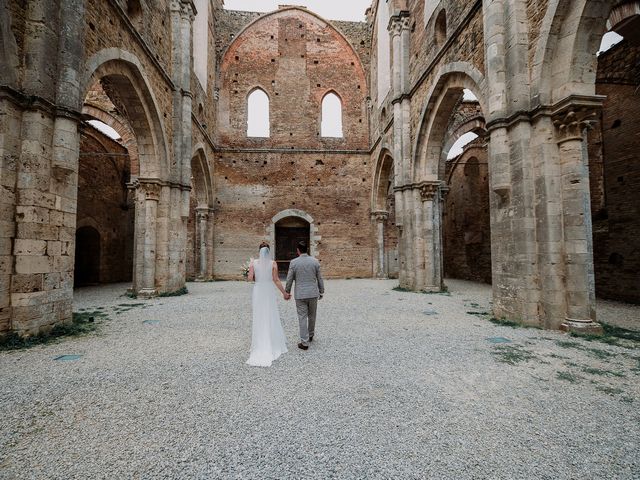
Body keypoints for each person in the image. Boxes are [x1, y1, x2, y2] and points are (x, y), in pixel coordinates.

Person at [246, 241, 290, 367]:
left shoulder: (254, 263)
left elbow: (249, 279)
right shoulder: (273, 263)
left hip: (258, 290)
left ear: (259, 251)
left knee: (259, 315)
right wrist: (284, 293)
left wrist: (250, 266)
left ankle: (259, 343)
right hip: (268, 290)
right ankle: (272, 341)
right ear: (268, 251)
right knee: (270, 314)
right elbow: (276, 280)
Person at [285, 241, 324, 350]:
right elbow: (319, 278)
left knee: (302, 317)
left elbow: (289, 279)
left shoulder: (293, 262)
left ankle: (304, 342)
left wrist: (287, 292)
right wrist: (321, 290)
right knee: (312, 315)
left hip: (300, 294)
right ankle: (311, 335)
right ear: (307, 249)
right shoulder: (315, 261)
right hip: (313, 293)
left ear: (298, 250)